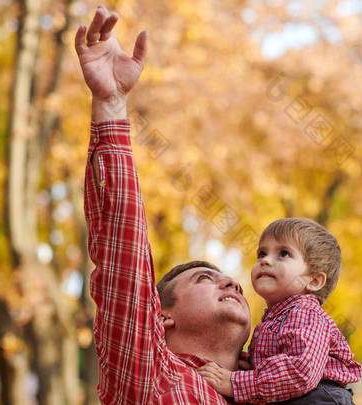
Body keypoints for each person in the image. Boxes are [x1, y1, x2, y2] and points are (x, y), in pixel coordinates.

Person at [75, 6, 252, 404]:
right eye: (205, 279)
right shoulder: (151, 378)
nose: (232, 281)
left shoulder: (283, 385)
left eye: (226, 278)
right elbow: (124, 258)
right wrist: (111, 106)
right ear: (161, 316)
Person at [197, 218, 362, 404]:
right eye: (261, 253)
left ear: (314, 281)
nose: (266, 260)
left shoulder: (306, 313)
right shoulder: (275, 320)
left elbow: (301, 371)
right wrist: (248, 366)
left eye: (283, 253)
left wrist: (235, 382)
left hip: (318, 397)